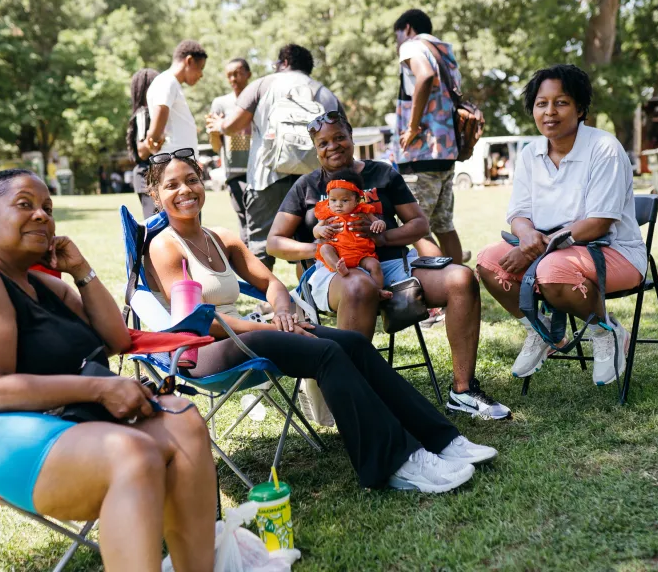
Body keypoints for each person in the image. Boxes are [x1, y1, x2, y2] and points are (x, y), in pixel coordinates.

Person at [143, 149, 499, 493]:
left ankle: (441, 438)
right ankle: (392, 463)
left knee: (354, 343)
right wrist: (273, 328)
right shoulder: (165, 246)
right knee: (326, 352)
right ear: (156, 195)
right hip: (206, 348)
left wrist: (283, 312)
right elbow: (199, 320)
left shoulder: (221, 238)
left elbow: (270, 283)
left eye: (191, 180)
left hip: (253, 334)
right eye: (172, 185)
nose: (185, 190)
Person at [0, 170, 216, 572]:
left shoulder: (43, 284)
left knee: (182, 418)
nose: (41, 216)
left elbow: (117, 339)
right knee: (130, 453)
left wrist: (81, 270)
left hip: (49, 418)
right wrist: (98, 390)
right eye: (24, 204)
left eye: (47, 208)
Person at [266, 112, 512, 420]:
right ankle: (355, 403)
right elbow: (275, 242)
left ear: (352, 137)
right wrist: (319, 247)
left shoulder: (382, 173)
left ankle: (463, 392)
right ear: (315, 149)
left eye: (339, 137)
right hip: (335, 272)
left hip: (393, 263)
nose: (333, 147)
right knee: (358, 285)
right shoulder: (306, 185)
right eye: (323, 142)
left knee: (461, 279)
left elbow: (420, 224)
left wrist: (380, 239)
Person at [476, 65, 646, 386]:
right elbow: (519, 215)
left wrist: (536, 248)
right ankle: (540, 332)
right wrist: (527, 238)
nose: (549, 112)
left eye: (561, 102)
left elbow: (597, 224)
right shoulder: (530, 154)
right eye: (542, 103)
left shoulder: (603, 148)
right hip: (550, 254)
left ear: (580, 108)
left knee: (551, 271)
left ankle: (605, 331)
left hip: (614, 252)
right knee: (488, 261)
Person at [205, 44, 343, 270]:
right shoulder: (325, 93)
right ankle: (309, 299)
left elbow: (233, 125)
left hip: (266, 177)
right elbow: (342, 137)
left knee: (260, 247)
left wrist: (219, 125)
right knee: (312, 244)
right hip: (313, 180)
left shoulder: (262, 85)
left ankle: (265, 303)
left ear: (284, 63)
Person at [393, 9, 471, 265]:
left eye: (397, 36)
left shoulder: (411, 47)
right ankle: (462, 288)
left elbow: (424, 75)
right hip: (446, 152)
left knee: (416, 226)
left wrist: (412, 127)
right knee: (443, 224)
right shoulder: (445, 53)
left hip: (421, 152)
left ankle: (443, 287)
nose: (397, 43)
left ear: (407, 29)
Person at [313, 170, 391, 298]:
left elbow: (379, 223)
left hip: (361, 253)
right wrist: (321, 230)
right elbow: (316, 231)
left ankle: (378, 290)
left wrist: (380, 224)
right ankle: (339, 268)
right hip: (338, 251)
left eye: (344, 201)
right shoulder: (327, 214)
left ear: (356, 201)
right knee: (325, 249)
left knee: (375, 265)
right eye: (333, 200)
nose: (338, 204)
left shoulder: (363, 211)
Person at [208, 58, 253, 245]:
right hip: (235, 172)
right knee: (244, 220)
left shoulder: (258, 100)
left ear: (248, 74)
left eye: (238, 73)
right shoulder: (220, 104)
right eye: (229, 75)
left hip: (259, 171)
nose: (233, 78)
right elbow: (216, 146)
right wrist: (214, 131)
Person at [146, 40, 207, 158]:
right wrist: (153, 138)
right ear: (189, 61)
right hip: (174, 161)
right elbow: (161, 109)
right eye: (201, 68)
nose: (201, 74)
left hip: (179, 160)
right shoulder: (167, 81)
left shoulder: (172, 83)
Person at [126, 68, 160, 218]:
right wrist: (160, 138)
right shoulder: (143, 114)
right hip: (147, 176)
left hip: (154, 175)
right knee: (156, 227)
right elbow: (142, 150)